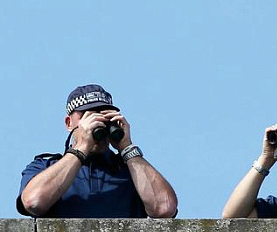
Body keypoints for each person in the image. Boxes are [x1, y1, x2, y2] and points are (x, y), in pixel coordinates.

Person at [17, 84, 178, 218]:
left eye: (104, 115)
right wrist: (81, 148)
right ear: (68, 123)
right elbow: (34, 202)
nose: (97, 121)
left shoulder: (132, 171)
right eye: (88, 115)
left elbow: (164, 208)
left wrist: (127, 148)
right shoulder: (45, 166)